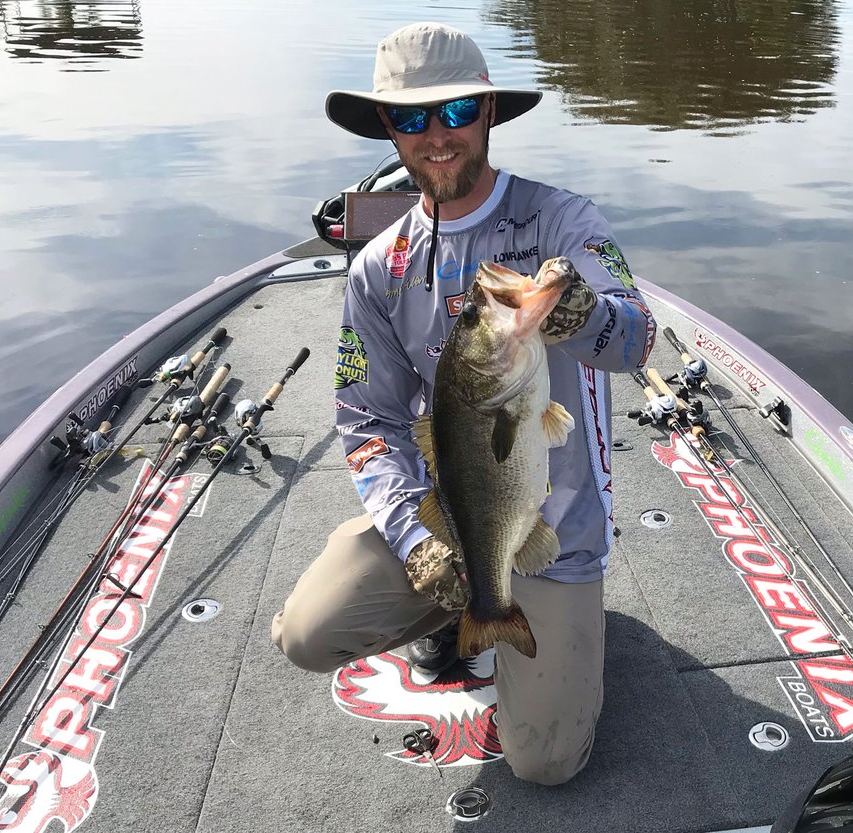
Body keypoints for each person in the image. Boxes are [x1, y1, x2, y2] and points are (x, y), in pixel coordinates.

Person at [270, 21, 656, 785]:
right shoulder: (378, 270)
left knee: (545, 764)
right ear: (390, 129)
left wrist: (583, 314)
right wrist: (418, 539)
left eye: (454, 113)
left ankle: (563, 619)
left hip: (558, 538)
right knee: (307, 632)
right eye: (412, 118)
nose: (436, 136)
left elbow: (637, 340)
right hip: (447, 520)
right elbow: (367, 421)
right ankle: (456, 598)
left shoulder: (563, 219)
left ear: (487, 112)